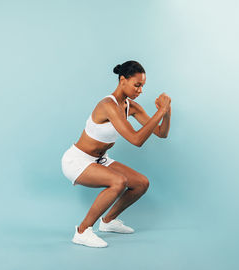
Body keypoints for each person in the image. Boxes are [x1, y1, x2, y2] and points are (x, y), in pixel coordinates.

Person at [61, 60, 171, 248]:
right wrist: (160, 110)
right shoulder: (108, 105)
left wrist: (167, 111)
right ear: (122, 80)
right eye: (137, 85)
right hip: (77, 160)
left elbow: (161, 133)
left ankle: (108, 222)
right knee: (118, 182)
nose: (140, 91)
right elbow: (136, 140)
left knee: (141, 183)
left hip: (99, 160)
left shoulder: (131, 107)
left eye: (142, 86)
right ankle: (82, 231)